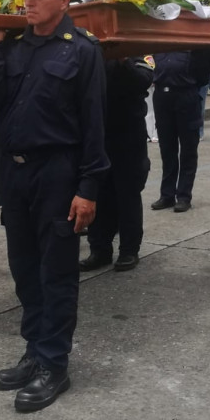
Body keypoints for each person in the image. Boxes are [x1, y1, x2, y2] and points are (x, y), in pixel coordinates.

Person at [0, 0, 108, 413]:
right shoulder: (11, 49)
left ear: (64, 1)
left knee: (56, 272)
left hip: (58, 174)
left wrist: (88, 187)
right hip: (15, 176)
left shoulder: (82, 51)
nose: (28, 1)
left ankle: (55, 363)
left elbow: (94, 126)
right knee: (24, 268)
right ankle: (34, 349)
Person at [80, 56, 154, 273]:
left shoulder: (136, 56)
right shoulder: (90, 54)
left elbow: (143, 79)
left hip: (128, 137)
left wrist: (123, 61)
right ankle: (99, 250)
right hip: (97, 134)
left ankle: (129, 250)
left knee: (127, 194)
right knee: (98, 193)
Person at [151, 52, 210, 213]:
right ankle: (167, 195)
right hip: (162, 97)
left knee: (188, 150)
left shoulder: (191, 47)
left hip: (186, 96)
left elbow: (203, 76)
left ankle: (184, 196)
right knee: (167, 149)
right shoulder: (160, 45)